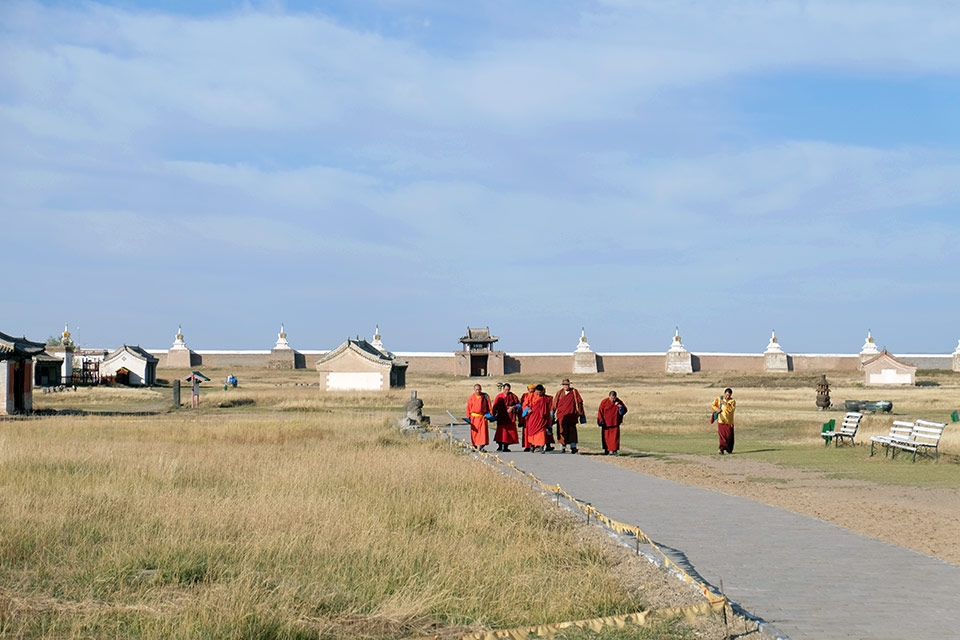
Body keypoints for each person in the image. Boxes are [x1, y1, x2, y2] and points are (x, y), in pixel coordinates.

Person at [553, 378, 585, 454]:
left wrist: (582, 415)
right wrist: (552, 413)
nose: (565, 386)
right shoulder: (559, 393)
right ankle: (563, 447)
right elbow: (555, 404)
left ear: (569, 385)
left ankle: (573, 447)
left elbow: (579, 403)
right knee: (561, 431)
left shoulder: (574, 392)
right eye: (564, 385)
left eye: (567, 385)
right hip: (562, 416)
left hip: (572, 415)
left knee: (572, 432)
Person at [521, 384, 552, 453]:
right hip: (532, 417)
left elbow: (548, 407)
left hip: (541, 418)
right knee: (532, 432)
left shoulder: (544, 398)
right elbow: (525, 404)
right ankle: (532, 445)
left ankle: (541, 446)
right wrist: (527, 409)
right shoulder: (531, 396)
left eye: (540, 392)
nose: (539, 394)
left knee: (541, 432)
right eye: (537, 392)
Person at [491, 383, 521, 452]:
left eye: (508, 389)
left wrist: (513, 407)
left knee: (509, 432)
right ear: (503, 389)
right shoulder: (499, 396)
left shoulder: (513, 396)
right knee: (501, 431)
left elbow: (519, 405)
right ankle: (500, 445)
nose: (507, 391)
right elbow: (495, 406)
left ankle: (506, 446)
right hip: (501, 416)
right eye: (505, 389)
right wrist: (493, 414)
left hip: (510, 417)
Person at [597, 391, 627, 455]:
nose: (613, 400)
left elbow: (624, 410)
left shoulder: (619, 402)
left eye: (614, 398)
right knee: (606, 437)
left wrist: (620, 407)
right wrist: (601, 420)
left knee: (615, 438)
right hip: (606, 424)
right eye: (611, 398)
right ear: (609, 396)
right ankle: (606, 450)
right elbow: (600, 412)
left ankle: (614, 450)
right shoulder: (604, 402)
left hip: (615, 422)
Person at [466, 383, 492, 451]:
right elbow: (468, 408)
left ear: (481, 389)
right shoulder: (471, 397)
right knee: (474, 433)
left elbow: (489, 406)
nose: (478, 391)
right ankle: (474, 445)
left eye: (479, 389)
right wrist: (468, 417)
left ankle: (481, 446)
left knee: (483, 433)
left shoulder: (485, 396)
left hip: (482, 417)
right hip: (474, 418)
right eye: (476, 390)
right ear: (474, 390)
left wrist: (489, 415)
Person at [712, 388, 736, 454]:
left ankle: (729, 449)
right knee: (722, 436)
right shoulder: (719, 398)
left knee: (729, 436)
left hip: (729, 421)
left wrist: (725, 404)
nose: (727, 396)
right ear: (724, 393)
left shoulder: (732, 401)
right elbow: (713, 405)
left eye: (729, 395)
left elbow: (731, 410)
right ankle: (721, 449)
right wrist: (717, 409)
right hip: (721, 420)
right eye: (727, 395)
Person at [519, 383, 537, 451]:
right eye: (530, 389)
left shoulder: (536, 395)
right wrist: (526, 409)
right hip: (527, 416)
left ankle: (535, 445)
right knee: (526, 431)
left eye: (532, 388)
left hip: (534, 415)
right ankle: (527, 446)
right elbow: (522, 404)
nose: (531, 390)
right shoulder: (525, 395)